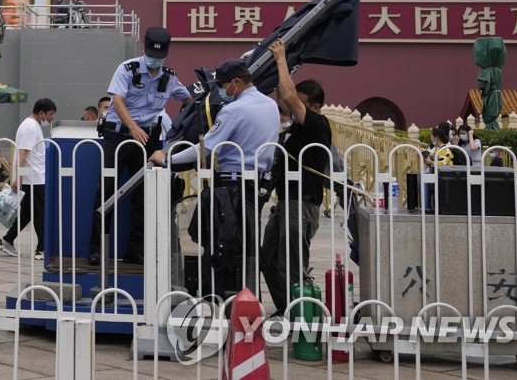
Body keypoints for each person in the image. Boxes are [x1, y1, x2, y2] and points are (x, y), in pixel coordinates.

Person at [153, 57, 280, 299]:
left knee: (223, 245)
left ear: (235, 82)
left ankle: (219, 298)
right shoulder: (270, 105)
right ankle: (249, 297)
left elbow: (205, 148)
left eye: (222, 85)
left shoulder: (234, 109)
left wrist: (167, 159)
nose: (221, 90)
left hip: (232, 186)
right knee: (247, 245)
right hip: (258, 186)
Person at [88, 27, 191, 266]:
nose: (155, 60)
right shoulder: (127, 69)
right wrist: (133, 127)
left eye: (160, 55)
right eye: (152, 53)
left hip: (147, 139)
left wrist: (188, 121)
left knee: (143, 196)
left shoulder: (169, 77)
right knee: (106, 191)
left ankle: (135, 251)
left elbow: (187, 99)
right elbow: (118, 100)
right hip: (118, 135)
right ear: (143, 49)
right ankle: (97, 249)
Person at [260, 39, 333, 317]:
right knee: (269, 257)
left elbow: (289, 98)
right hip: (286, 202)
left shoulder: (317, 125)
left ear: (315, 106)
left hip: (302, 203)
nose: (293, 108)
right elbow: (284, 96)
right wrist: (284, 70)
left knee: (292, 263)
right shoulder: (297, 125)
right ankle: (286, 308)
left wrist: (281, 59)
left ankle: (303, 314)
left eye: (301, 104)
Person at [0, 98, 56, 260]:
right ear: (41, 112)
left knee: (28, 214)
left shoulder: (30, 125)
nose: (51, 118)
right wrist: (18, 178)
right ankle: (42, 249)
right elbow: (23, 153)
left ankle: (7, 240)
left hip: (32, 177)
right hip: (33, 178)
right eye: (50, 114)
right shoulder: (31, 127)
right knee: (39, 214)